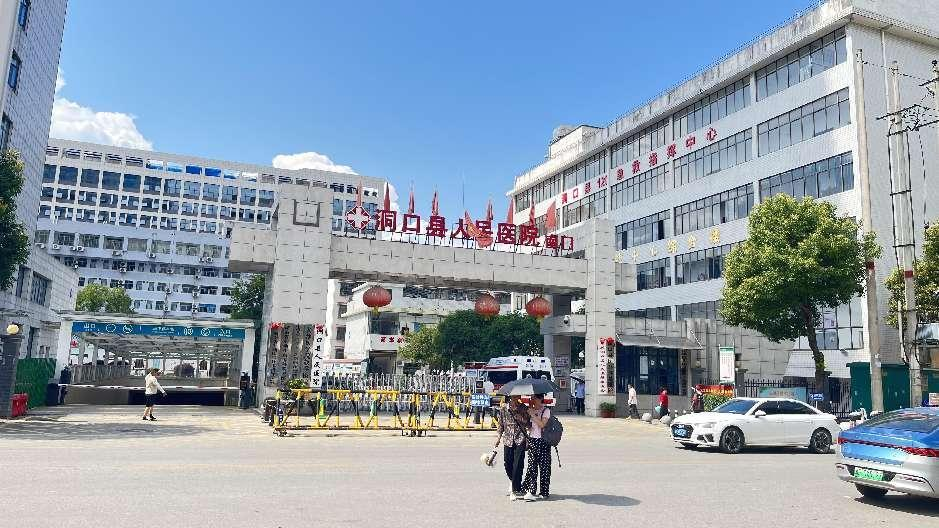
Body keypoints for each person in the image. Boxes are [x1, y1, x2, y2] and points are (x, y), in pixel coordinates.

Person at [494, 395, 529, 501]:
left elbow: (528, 423)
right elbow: (500, 424)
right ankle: (513, 481)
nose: (516, 398)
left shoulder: (523, 408)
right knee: (507, 463)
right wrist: (498, 438)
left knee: (518, 464)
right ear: (511, 397)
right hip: (508, 439)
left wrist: (520, 417)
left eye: (518, 396)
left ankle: (514, 488)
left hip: (520, 438)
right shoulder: (504, 408)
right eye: (514, 396)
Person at [522, 394, 552, 501]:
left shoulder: (546, 411)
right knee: (532, 467)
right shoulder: (531, 410)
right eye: (532, 398)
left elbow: (542, 424)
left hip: (543, 441)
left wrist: (533, 415)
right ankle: (531, 490)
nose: (532, 400)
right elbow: (529, 426)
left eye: (534, 398)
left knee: (544, 467)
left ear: (540, 399)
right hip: (532, 440)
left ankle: (544, 492)